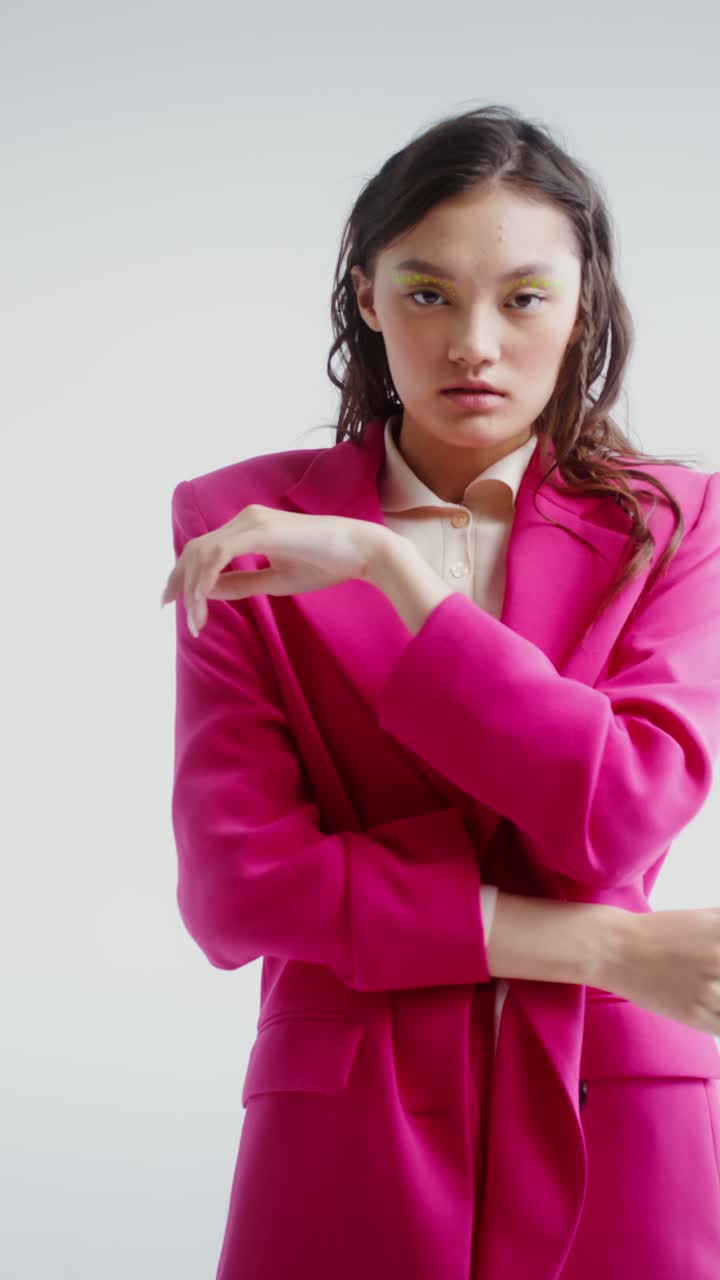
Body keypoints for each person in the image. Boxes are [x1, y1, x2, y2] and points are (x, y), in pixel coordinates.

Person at [163, 105, 720, 1279]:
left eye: (523, 296)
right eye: (427, 292)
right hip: (350, 1109)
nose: (474, 340)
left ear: (583, 309)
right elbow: (240, 884)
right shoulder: (235, 521)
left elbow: (621, 807)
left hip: (615, 1095)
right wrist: (604, 946)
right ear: (365, 295)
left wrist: (397, 574)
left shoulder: (678, 522)